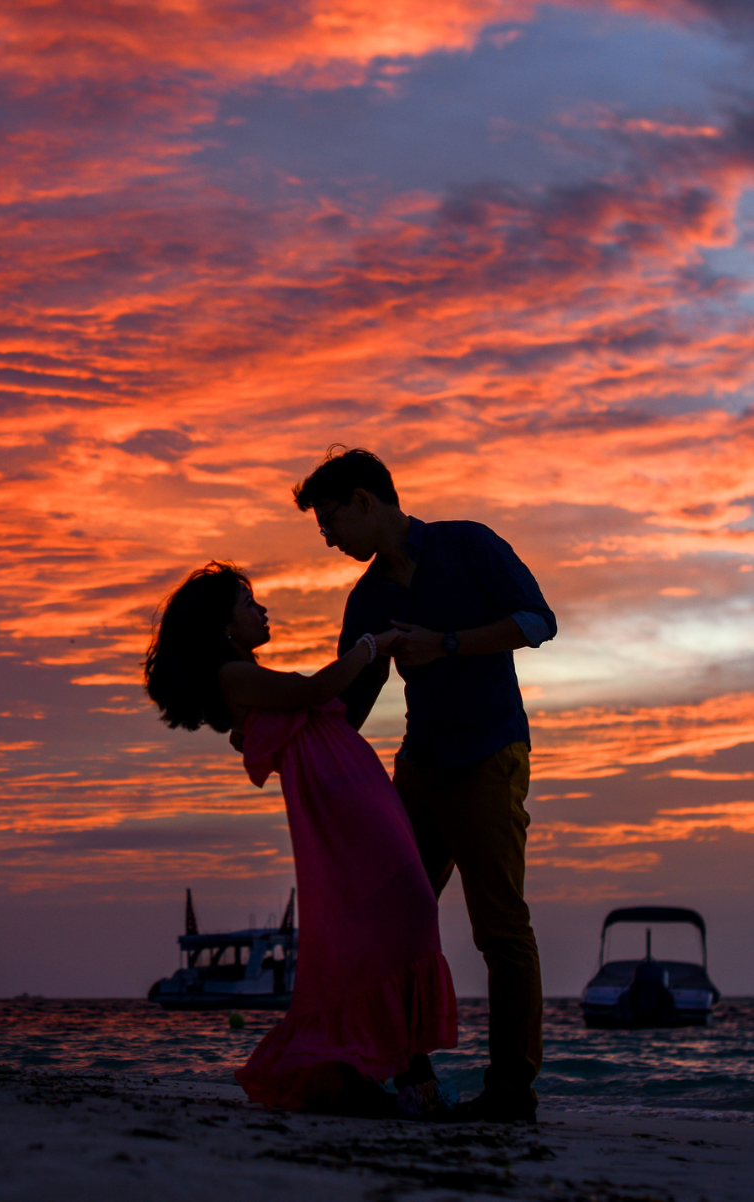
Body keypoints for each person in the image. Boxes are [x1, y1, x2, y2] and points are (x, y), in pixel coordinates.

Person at [293, 447, 557, 1124]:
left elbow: (537, 622)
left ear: (364, 500)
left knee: (500, 928)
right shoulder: (369, 597)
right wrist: (293, 742)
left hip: (490, 755)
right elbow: (353, 699)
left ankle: (511, 1092)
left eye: (329, 521)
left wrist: (445, 643)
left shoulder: (468, 545)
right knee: (388, 919)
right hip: (417, 768)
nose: (327, 538)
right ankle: (406, 1077)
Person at [144, 561, 458, 1117]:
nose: (261, 610)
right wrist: (372, 643)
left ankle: (378, 1070)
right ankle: (408, 1076)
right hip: (342, 805)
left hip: (353, 791)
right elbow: (317, 689)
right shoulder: (231, 675)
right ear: (223, 627)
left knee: (399, 915)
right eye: (248, 604)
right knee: (406, 911)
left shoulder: (245, 676)